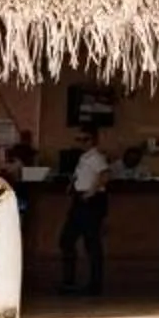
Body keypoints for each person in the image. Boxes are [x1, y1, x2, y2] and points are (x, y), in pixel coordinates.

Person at [60, 127, 111, 296]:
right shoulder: (83, 157)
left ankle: (95, 284)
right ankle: (69, 281)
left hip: (90, 201)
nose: (82, 143)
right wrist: (71, 185)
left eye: (85, 139)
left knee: (91, 243)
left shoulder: (96, 156)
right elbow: (79, 175)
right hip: (80, 200)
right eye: (79, 140)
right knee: (67, 240)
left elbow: (104, 175)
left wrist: (91, 192)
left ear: (93, 140)